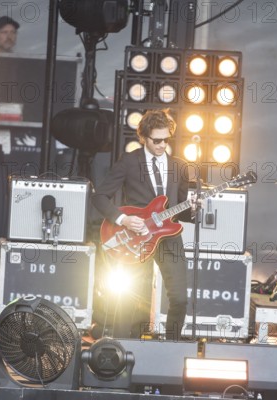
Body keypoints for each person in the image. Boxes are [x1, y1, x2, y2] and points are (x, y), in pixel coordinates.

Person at [92, 109, 193, 340]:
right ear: (143, 137)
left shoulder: (179, 166)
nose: (161, 145)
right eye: (156, 140)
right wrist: (124, 219)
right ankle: (120, 351)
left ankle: (171, 348)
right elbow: (99, 197)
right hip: (135, 237)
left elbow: (183, 212)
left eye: (166, 140)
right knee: (129, 300)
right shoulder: (129, 162)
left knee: (179, 298)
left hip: (169, 237)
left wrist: (195, 208)